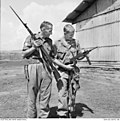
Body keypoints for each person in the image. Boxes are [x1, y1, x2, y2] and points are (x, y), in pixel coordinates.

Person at [22, 21, 73, 118]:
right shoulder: (31, 38)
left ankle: (43, 117)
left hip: (46, 68)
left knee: (45, 96)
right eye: (50, 30)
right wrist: (34, 47)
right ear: (42, 29)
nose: (51, 33)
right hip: (33, 66)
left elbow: (52, 58)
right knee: (32, 96)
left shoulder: (49, 41)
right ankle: (31, 118)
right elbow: (24, 54)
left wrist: (66, 67)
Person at [54, 24, 84, 118]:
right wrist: (65, 67)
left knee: (73, 92)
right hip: (62, 71)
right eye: (70, 34)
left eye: (73, 34)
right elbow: (53, 59)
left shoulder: (76, 42)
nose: (72, 36)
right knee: (62, 93)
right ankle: (62, 114)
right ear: (65, 33)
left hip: (73, 71)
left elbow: (79, 56)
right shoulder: (57, 43)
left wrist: (83, 55)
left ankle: (71, 112)